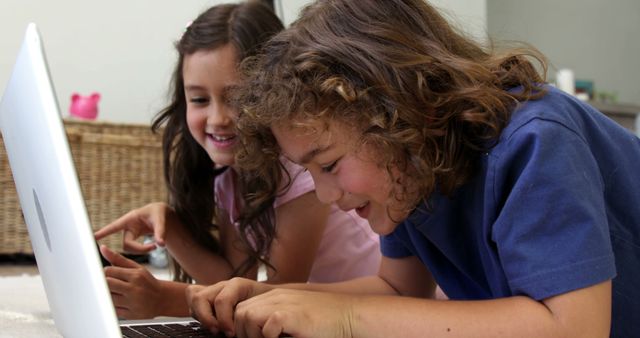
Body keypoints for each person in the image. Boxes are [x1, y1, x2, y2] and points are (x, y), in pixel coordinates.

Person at [185, 0, 640, 337]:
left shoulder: (537, 141)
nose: (325, 195)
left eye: (329, 164)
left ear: (398, 116)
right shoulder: (410, 174)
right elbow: (399, 289)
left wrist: (343, 320)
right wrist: (272, 299)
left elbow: (573, 328)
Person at [94, 1, 380, 320]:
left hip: (378, 306)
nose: (218, 118)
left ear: (274, 94)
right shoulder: (229, 176)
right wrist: (170, 227)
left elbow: (280, 292)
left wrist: (167, 299)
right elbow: (231, 281)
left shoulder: (301, 171)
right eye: (200, 100)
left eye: (236, 98)